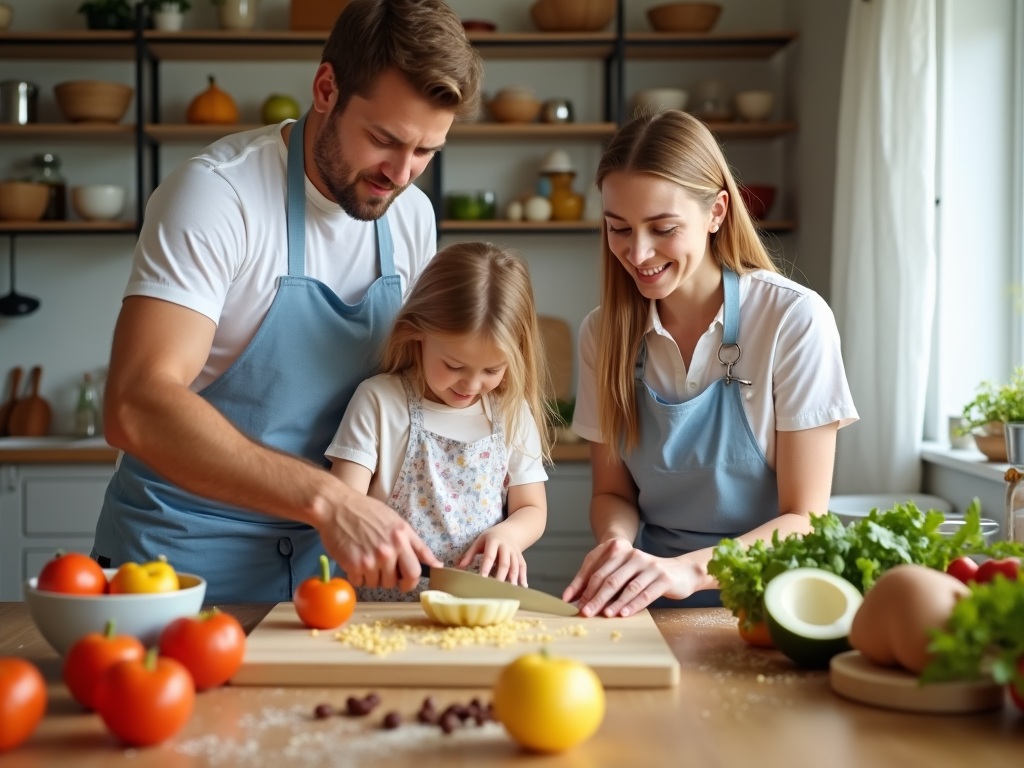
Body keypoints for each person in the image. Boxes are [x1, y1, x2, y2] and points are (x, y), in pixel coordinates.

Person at [91, 0, 484, 603]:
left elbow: (408, 389)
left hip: (324, 575)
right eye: (384, 139)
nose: (401, 174)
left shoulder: (411, 216)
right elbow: (135, 404)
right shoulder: (219, 196)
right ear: (326, 88)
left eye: (427, 152)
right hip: (177, 566)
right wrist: (328, 499)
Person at [562, 110, 859, 617]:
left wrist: (685, 571)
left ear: (718, 212)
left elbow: (804, 518)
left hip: (775, 605)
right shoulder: (602, 333)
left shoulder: (794, 319)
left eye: (663, 228)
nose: (638, 252)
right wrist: (617, 548)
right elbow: (613, 493)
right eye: (619, 229)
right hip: (652, 601)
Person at [326, 243, 551, 598]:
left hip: (481, 610)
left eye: (492, 369)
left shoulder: (510, 410)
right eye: (455, 366)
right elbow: (343, 506)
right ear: (417, 332)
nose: (472, 385)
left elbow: (532, 508)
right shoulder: (379, 402)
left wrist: (509, 535)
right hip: (385, 614)